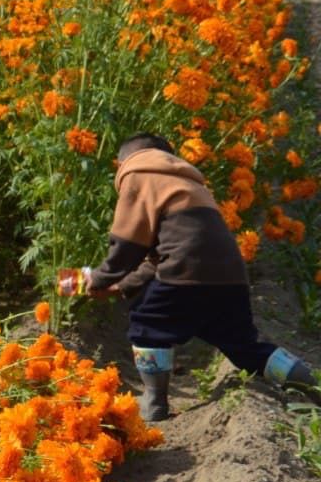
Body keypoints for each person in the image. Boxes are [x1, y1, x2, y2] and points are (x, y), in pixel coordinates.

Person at [79, 133, 318, 421]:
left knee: (148, 324)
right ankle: (312, 384)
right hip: (230, 277)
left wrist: (101, 277)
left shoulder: (138, 173)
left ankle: (154, 401)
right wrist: (122, 285)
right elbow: (161, 257)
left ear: (122, 162)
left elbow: (128, 243)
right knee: (245, 346)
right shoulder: (190, 185)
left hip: (186, 270)